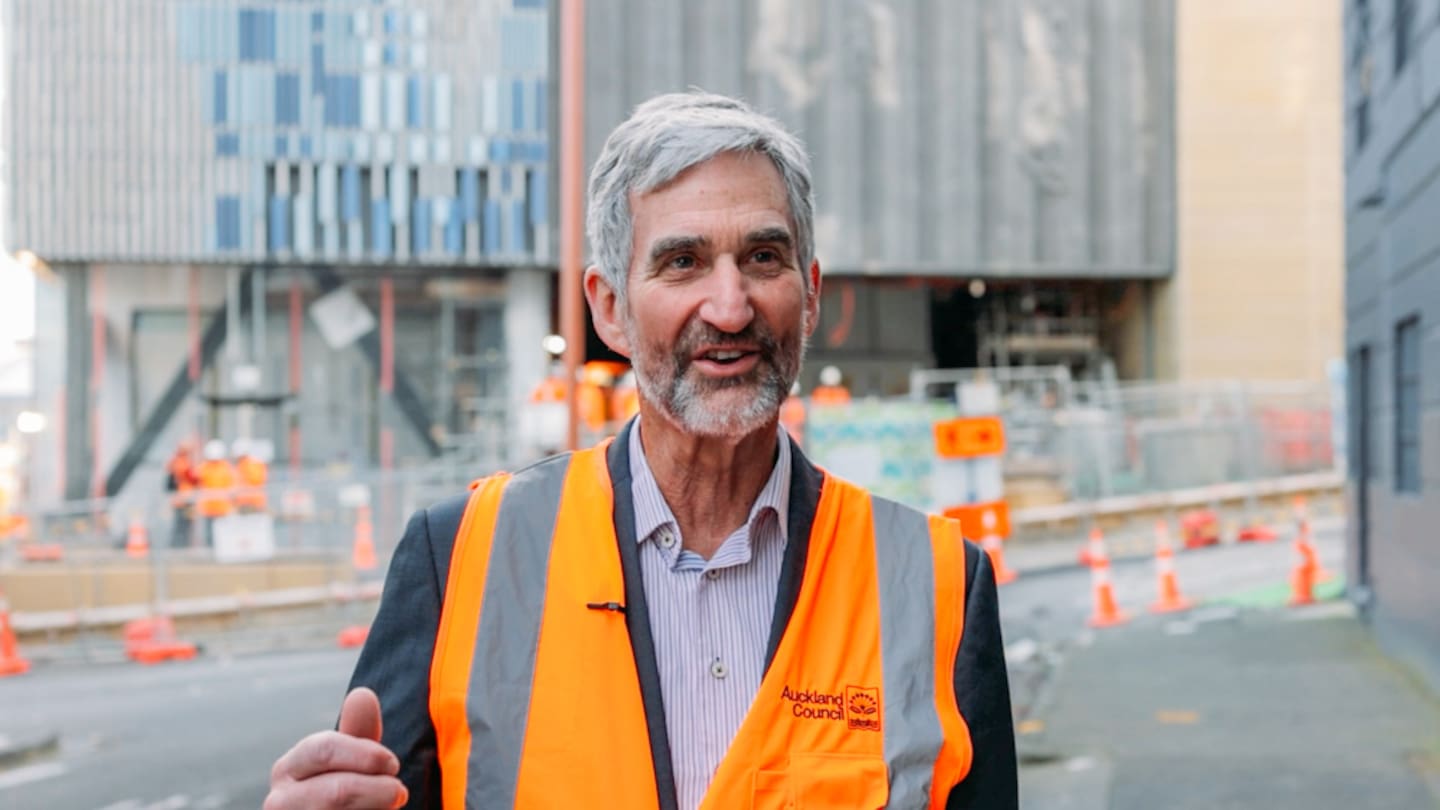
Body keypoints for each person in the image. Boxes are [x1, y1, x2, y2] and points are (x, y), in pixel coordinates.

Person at [265, 92, 1016, 810]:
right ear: (610, 308)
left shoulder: (940, 586)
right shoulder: (460, 558)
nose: (729, 308)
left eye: (762, 258)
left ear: (810, 294)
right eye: (682, 262)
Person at [165, 440, 198, 547]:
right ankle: (180, 546)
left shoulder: (175, 461)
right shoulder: (182, 462)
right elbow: (192, 478)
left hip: (182, 499)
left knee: (184, 524)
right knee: (183, 525)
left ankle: (181, 545)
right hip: (185, 499)